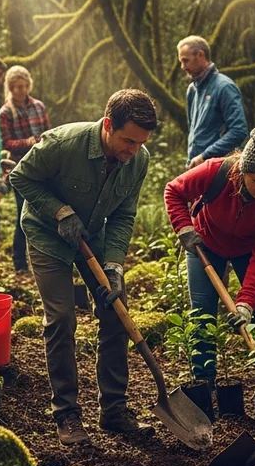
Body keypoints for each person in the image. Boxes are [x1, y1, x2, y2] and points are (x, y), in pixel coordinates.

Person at [9, 89, 157, 446]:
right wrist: (60, 212)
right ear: (108, 125)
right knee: (61, 317)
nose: (132, 150)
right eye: (127, 141)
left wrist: (115, 266)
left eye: (140, 143)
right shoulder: (65, 142)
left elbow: (123, 214)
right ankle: (67, 413)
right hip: (48, 235)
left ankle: (114, 410)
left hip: (94, 236)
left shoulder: (138, 160)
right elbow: (21, 177)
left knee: (115, 309)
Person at [163, 127, 255, 394]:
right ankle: (203, 387)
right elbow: (174, 191)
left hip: (250, 250)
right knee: (202, 315)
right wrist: (185, 228)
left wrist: (245, 303)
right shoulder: (215, 172)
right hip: (205, 244)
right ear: (242, 169)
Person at [0, 65, 51, 275]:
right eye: (17, 87)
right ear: (10, 87)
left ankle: (43, 260)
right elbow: (6, 143)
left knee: (44, 214)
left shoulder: (39, 106)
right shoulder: (5, 112)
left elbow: (49, 133)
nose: (21, 90)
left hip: (42, 167)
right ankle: (20, 263)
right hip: (18, 170)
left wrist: (41, 142)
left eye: (25, 86)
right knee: (23, 215)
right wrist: (27, 143)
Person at [178, 35, 248, 169]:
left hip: (219, 169)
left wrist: (205, 156)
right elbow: (194, 133)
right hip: (195, 168)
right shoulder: (192, 90)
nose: (182, 67)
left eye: (186, 61)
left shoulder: (225, 87)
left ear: (200, 55)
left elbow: (239, 131)